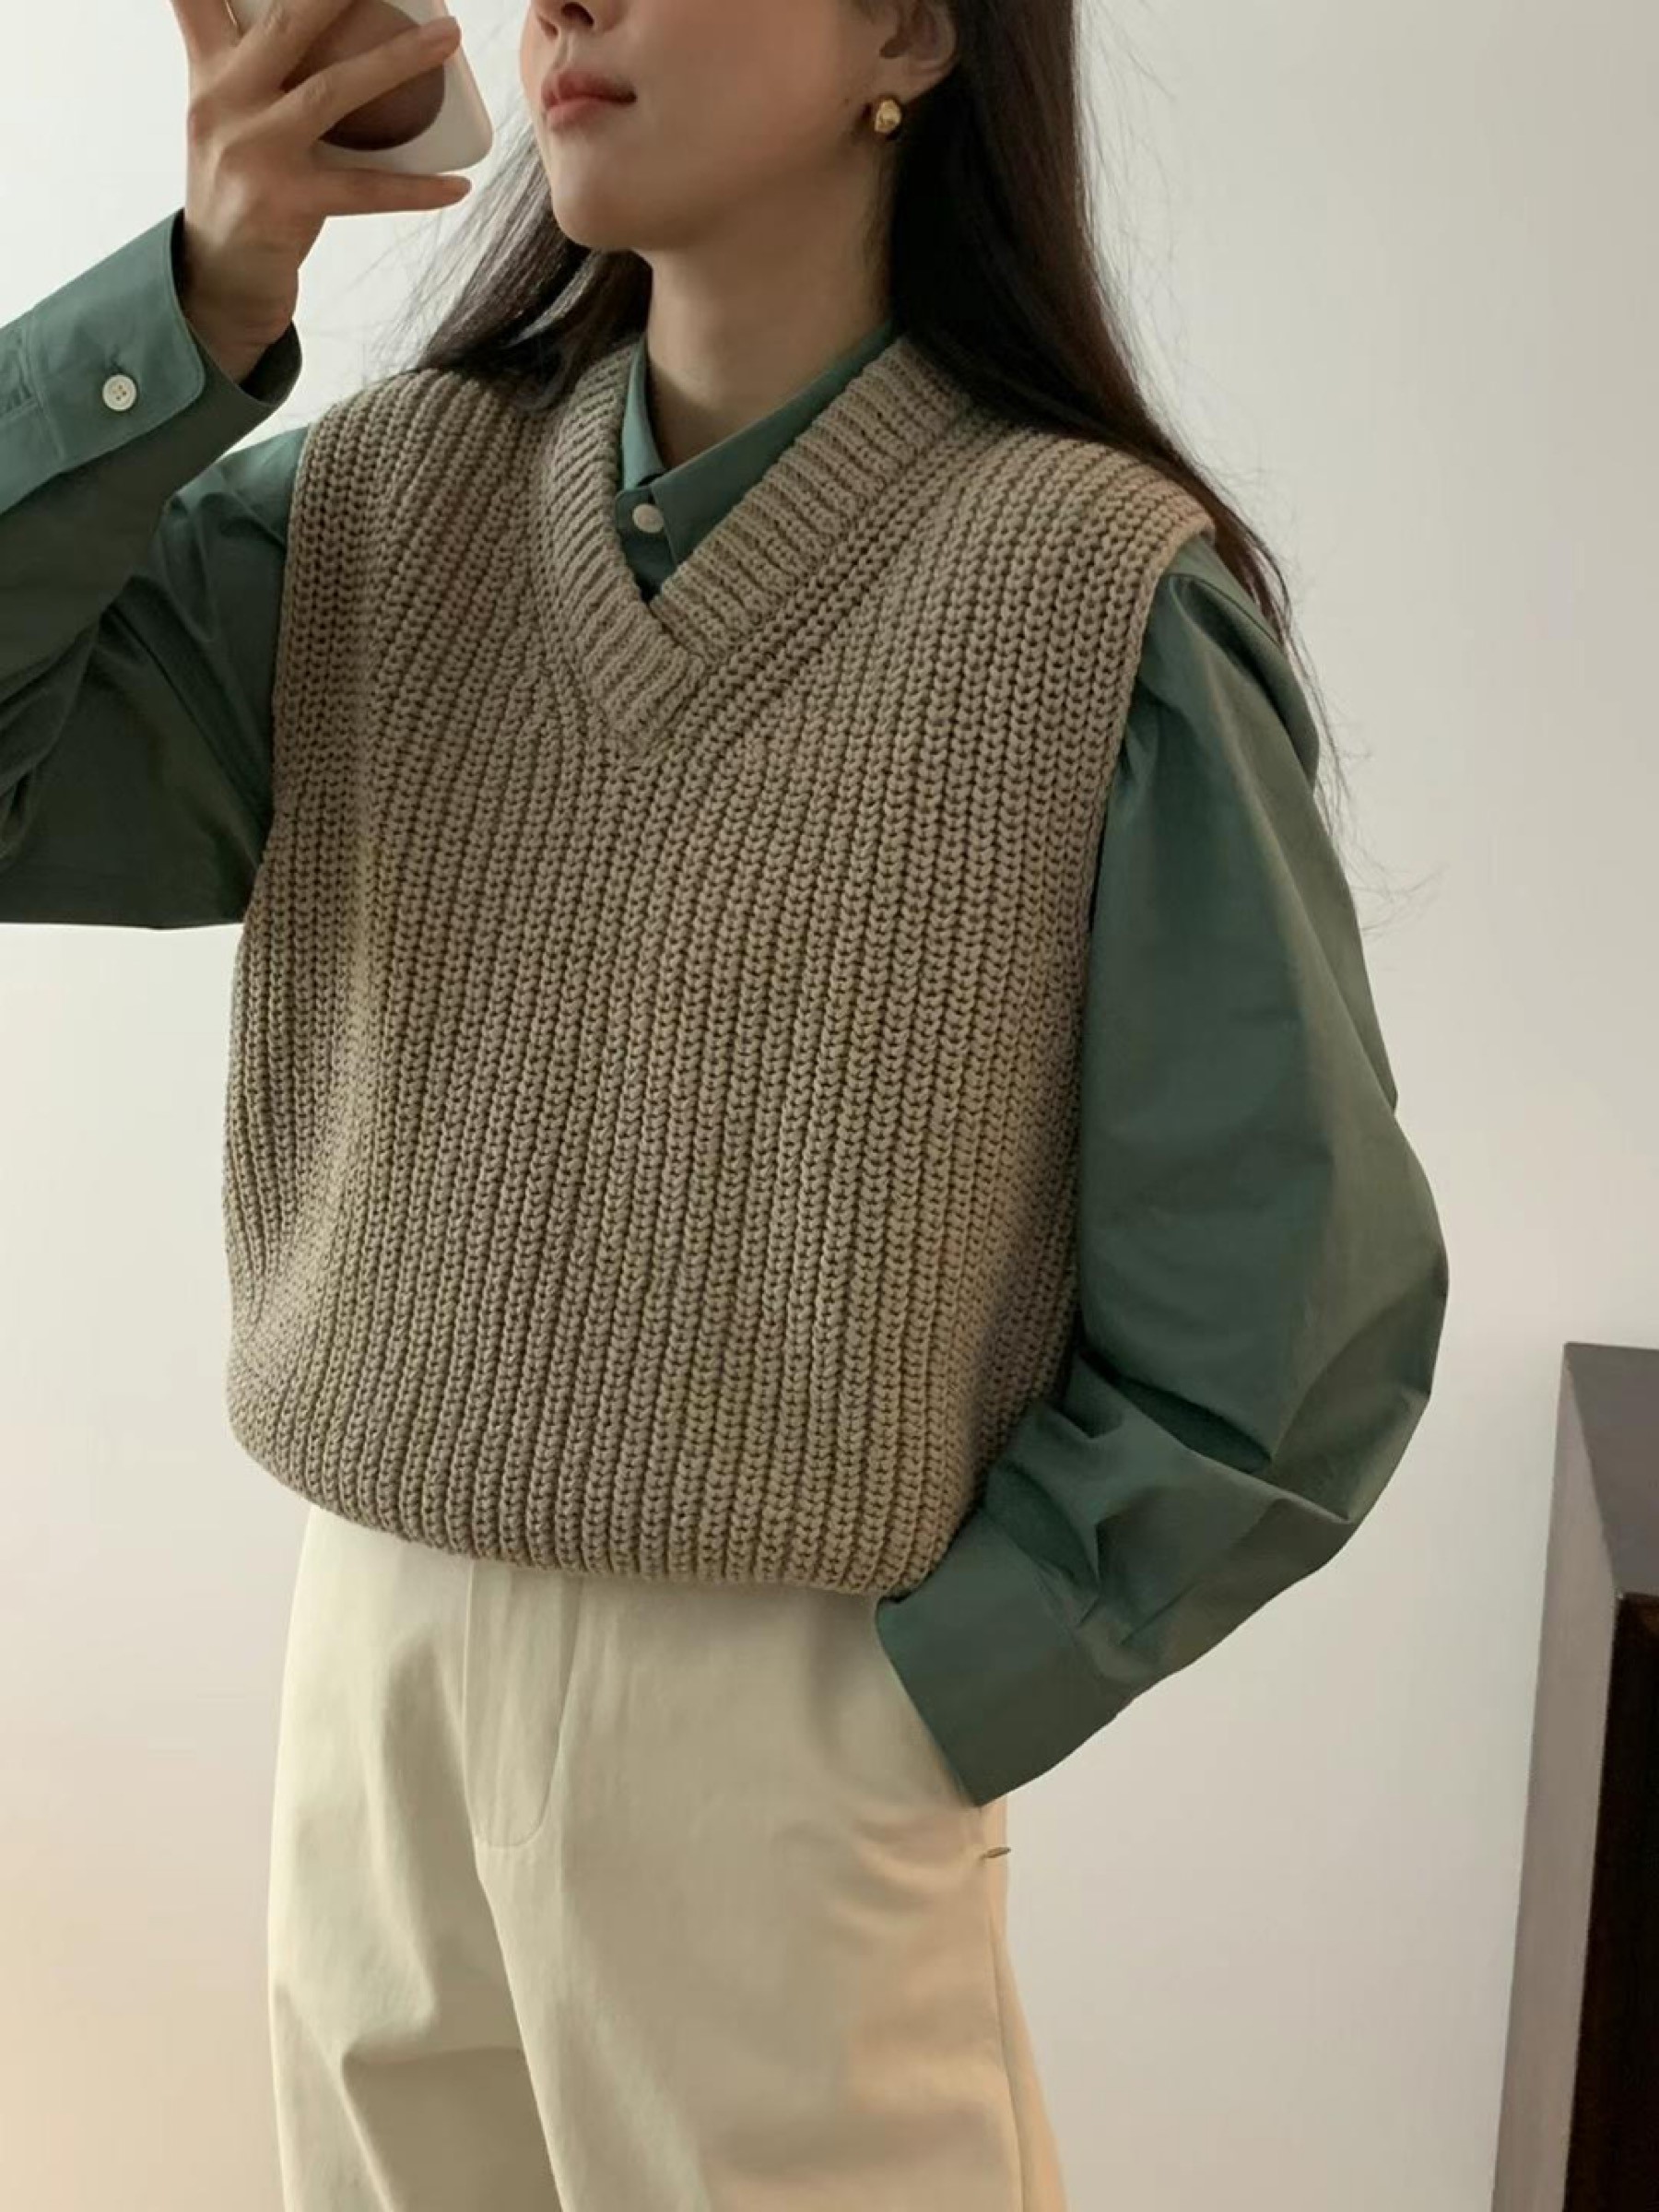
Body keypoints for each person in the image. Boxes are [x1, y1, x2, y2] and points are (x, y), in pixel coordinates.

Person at [0, 0, 1450, 2203]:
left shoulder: (1086, 594)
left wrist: (911, 1709)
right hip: (372, 1663)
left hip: (787, 1722)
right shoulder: (380, 510)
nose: (562, 2)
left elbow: (1293, 1313)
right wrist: (192, 311)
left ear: (911, 32)